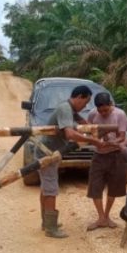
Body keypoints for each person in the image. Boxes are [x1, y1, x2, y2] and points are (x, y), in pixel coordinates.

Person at [36, 85, 107, 238]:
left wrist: (89, 127)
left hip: (50, 153)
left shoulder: (71, 110)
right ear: (79, 97)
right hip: (47, 154)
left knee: (46, 188)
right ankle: (51, 228)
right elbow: (69, 134)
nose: (85, 106)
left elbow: (81, 121)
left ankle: (46, 222)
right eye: (85, 101)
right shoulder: (65, 108)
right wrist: (91, 140)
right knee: (51, 189)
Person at [86, 92, 127, 231]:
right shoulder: (93, 114)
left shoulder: (120, 114)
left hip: (115, 154)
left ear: (111, 105)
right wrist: (98, 140)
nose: (103, 113)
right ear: (96, 108)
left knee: (114, 186)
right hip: (98, 155)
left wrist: (110, 143)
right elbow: (88, 132)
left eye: (105, 110)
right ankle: (101, 218)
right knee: (95, 186)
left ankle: (106, 215)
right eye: (100, 110)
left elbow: (122, 136)